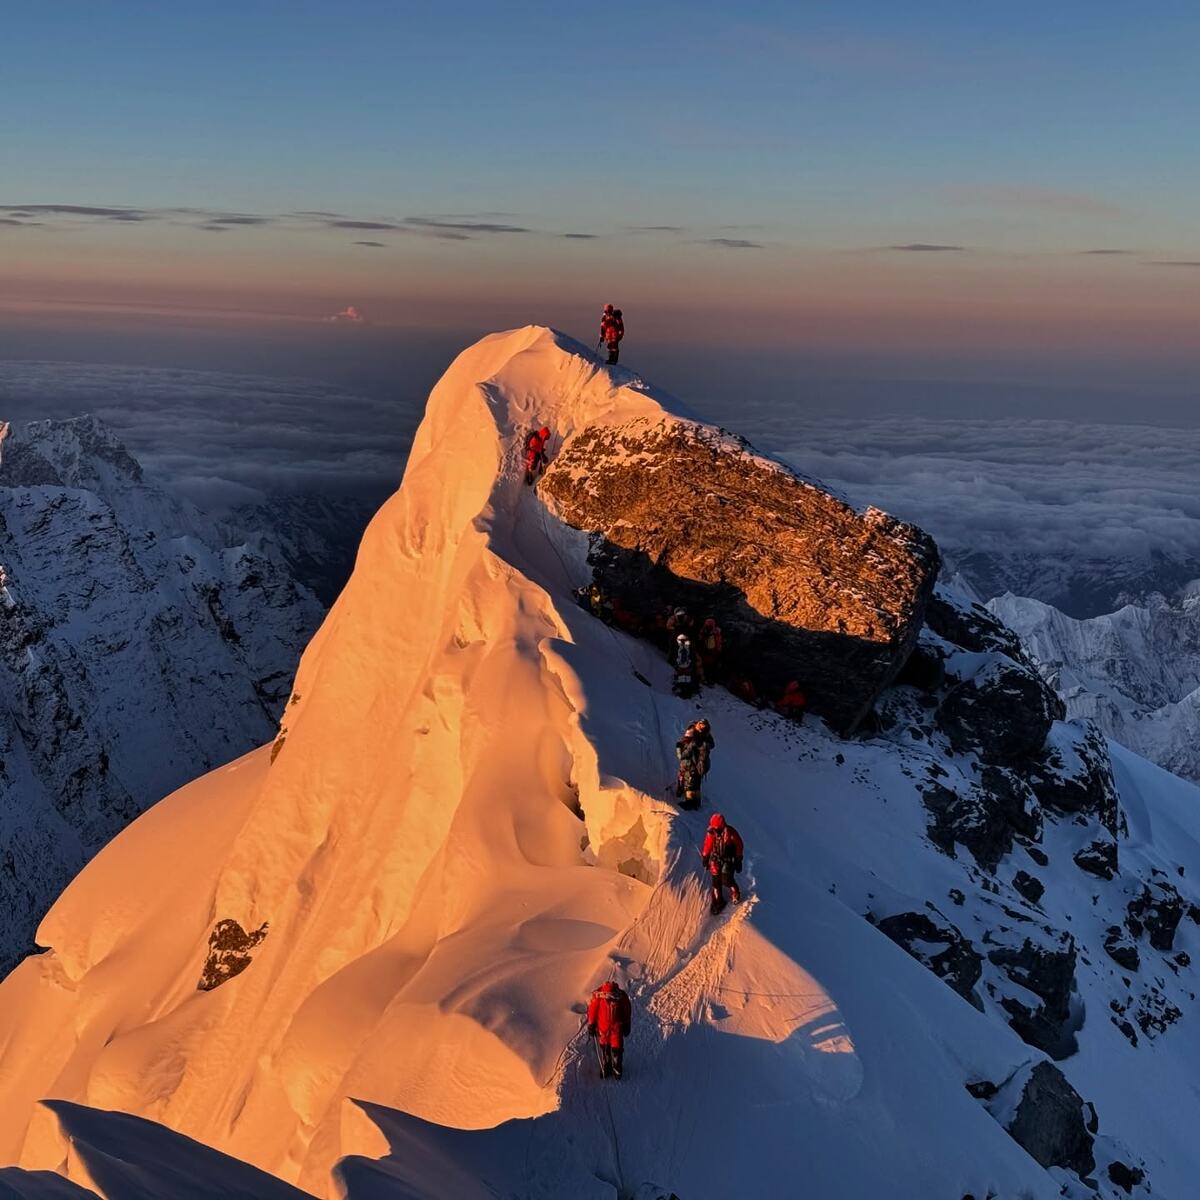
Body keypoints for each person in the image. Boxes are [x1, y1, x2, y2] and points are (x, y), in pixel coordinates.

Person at [587, 979, 632, 1078]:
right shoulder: (598, 998)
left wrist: (627, 1024)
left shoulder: (622, 998)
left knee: (617, 1049)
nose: (613, 1001)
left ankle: (617, 1067)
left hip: (616, 1028)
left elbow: (626, 1011)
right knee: (605, 1048)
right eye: (611, 998)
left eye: (614, 998)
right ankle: (606, 1066)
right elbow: (592, 1010)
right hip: (603, 1029)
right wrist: (591, 1024)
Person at [700, 813, 744, 914]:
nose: (715, 830)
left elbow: (739, 845)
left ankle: (735, 892)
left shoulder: (731, 833)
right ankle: (718, 901)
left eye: (717, 828)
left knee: (726, 879)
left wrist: (738, 859)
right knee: (716, 881)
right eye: (714, 828)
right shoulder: (711, 833)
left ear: (722, 826)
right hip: (716, 858)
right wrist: (705, 857)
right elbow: (708, 844)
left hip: (728, 859)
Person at [676, 728, 704, 809]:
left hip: (690, 768)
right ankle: (697, 802)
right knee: (695, 785)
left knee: (689, 786)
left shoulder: (692, 745)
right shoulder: (698, 744)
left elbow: (682, 756)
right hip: (695, 769)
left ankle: (689, 803)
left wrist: (679, 747)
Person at [697, 618, 723, 684]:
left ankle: (705, 679)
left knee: (707, 666)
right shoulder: (713, 632)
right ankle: (705, 679)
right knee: (707, 666)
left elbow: (717, 642)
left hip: (709, 651)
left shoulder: (706, 631)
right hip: (708, 651)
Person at [671, 633, 697, 698]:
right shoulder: (690, 646)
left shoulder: (679, 647)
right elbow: (693, 657)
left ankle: (683, 690)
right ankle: (686, 691)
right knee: (686, 678)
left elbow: (675, 656)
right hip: (687, 666)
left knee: (682, 677)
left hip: (681, 666)